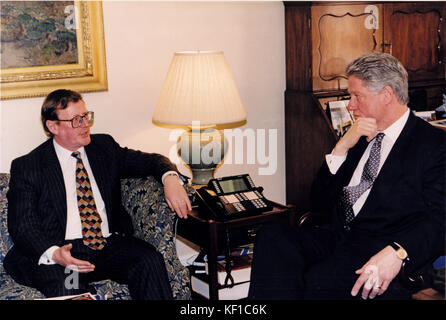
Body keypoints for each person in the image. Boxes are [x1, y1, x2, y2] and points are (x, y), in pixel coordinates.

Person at [248, 53, 446, 300]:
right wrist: (340, 148)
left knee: (320, 279)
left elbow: (440, 219)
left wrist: (397, 252)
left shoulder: (434, 145)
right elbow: (318, 202)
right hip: (337, 236)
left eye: (357, 96)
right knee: (272, 237)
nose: (350, 105)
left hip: (380, 247)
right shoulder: (359, 135)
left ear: (386, 95)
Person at [4, 89, 192, 299]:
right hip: (65, 253)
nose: (85, 124)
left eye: (86, 116)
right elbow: (23, 224)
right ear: (53, 126)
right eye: (76, 120)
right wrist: (56, 254)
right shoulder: (30, 166)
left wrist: (170, 178)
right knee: (69, 285)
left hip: (107, 245)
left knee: (148, 260)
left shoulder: (104, 148)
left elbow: (150, 161)